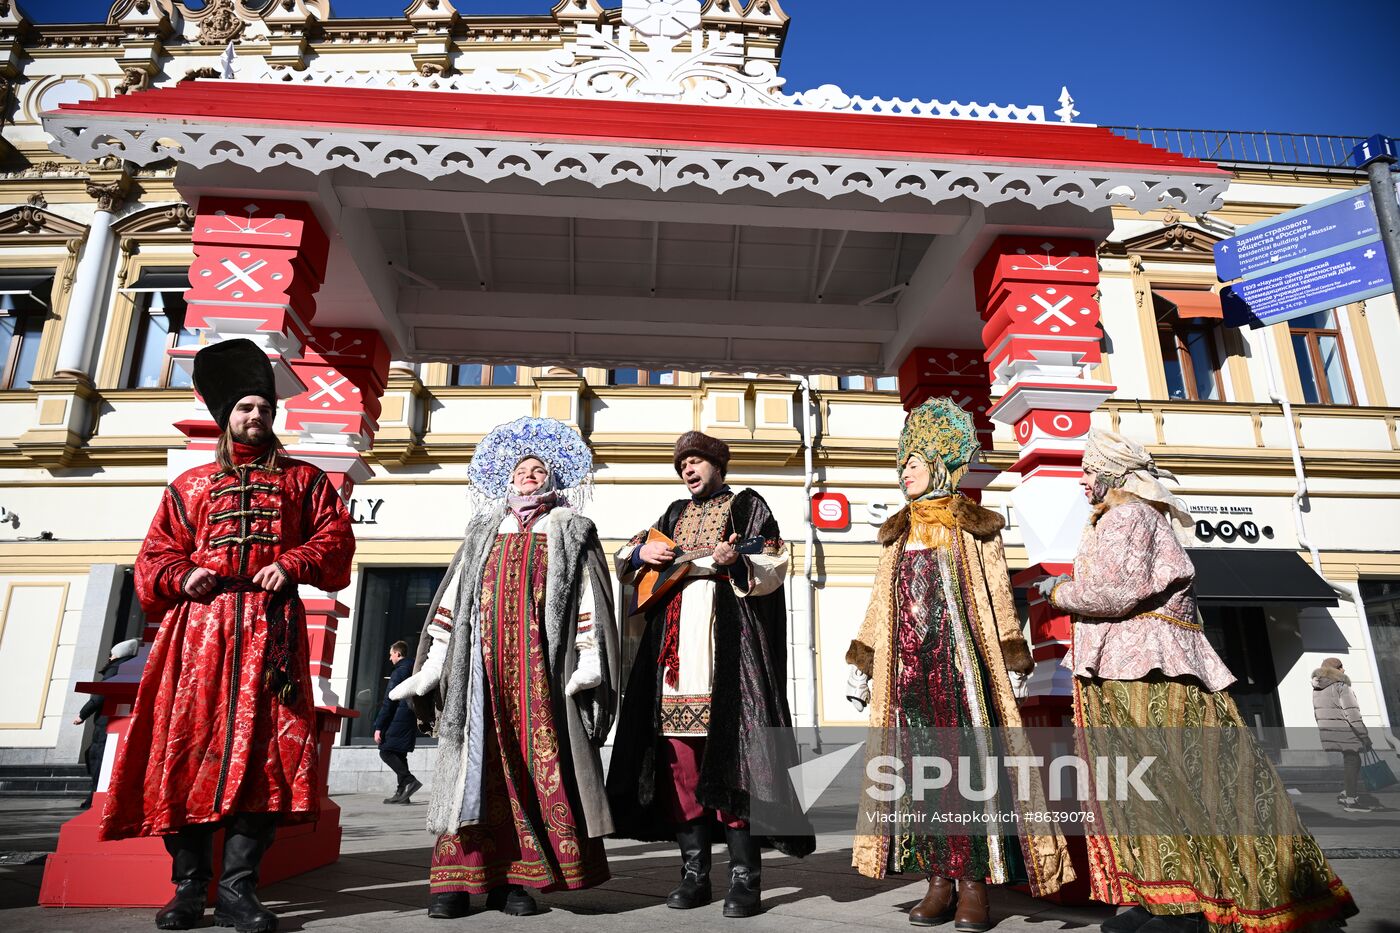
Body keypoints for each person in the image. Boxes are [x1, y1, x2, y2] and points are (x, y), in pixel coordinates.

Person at [1041, 428, 1356, 933]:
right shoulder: (1126, 518)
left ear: (1111, 474)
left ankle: (1193, 902)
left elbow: (1117, 592)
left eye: (1088, 470)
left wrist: (1059, 591)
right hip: (1126, 669)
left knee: (1171, 784)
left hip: (1148, 672)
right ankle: (1163, 895)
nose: (1083, 480)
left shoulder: (1128, 516)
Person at [100, 339, 355, 933]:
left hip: (272, 635)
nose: (257, 417)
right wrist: (182, 573)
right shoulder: (188, 485)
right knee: (184, 751)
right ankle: (188, 888)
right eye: (246, 408)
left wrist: (292, 563)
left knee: (263, 756)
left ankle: (240, 889)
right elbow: (153, 558)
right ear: (227, 417)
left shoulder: (306, 481)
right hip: (199, 638)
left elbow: (337, 542)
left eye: (264, 408)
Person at [844, 398, 1074, 930]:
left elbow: (997, 596)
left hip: (964, 670)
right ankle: (937, 880)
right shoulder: (895, 532)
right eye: (902, 466)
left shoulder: (976, 526)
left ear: (939, 467)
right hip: (909, 677)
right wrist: (863, 658)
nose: (904, 474)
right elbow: (881, 601)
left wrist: (1016, 655)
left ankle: (974, 883)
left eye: (913, 465)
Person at [392, 416, 619, 920]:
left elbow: (588, 599)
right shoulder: (483, 529)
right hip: (480, 672)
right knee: (470, 771)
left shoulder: (568, 528)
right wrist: (431, 665)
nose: (529, 475)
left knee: (530, 769)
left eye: (539, 469)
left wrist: (589, 660)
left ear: (553, 478)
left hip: (539, 678)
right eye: (522, 469)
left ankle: (515, 882)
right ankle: (453, 883)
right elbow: (455, 595)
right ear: (507, 478)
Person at [606, 431, 814, 920]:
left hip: (728, 655)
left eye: (696, 462)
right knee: (679, 766)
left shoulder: (747, 505)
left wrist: (735, 559)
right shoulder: (673, 515)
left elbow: (774, 558)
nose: (688, 471)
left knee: (734, 762)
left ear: (718, 465)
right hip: (674, 659)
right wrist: (642, 556)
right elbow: (627, 554)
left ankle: (745, 879)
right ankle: (694, 873)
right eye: (683, 465)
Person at [73, 637, 141, 808]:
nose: (110, 658)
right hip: (122, 718)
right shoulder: (135, 667)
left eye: (112, 654)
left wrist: (82, 714)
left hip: (108, 721)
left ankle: (94, 799)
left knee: (99, 759)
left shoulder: (117, 668)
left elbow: (101, 694)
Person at [1311, 657, 1372, 812]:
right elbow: (1352, 713)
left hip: (1331, 728)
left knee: (1351, 759)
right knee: (1352, 759)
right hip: (1345, 729)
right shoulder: (1341, 685)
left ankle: (1347, 792)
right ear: (1334, 670)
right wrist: (1364, 735)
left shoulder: (1318, 687)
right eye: (1340, 667)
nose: (1343, 670)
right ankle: (1351, 800)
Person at [374, 640, 422, 805]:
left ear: (398, 654)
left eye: (391, 654)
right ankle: (403, 793)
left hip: (397, 717)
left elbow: (389, 700)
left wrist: (379, 726)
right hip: (408, 716)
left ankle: (409, 781)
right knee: (399, 754)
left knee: (385, 751)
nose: (390, 658)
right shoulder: (413, 669)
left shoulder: (399, 672)